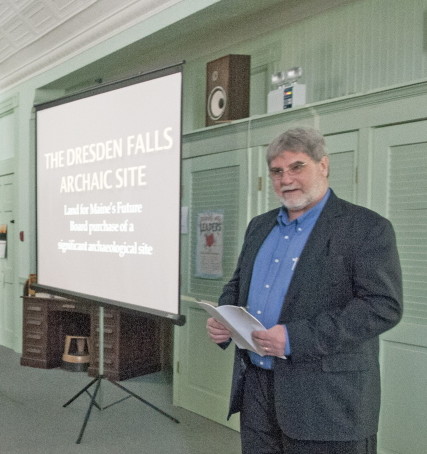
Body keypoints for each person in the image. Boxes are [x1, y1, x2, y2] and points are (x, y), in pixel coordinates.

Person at [206, 127, 403, 454]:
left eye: (297, 167)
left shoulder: (366, 227)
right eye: (277, 171)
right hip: (257, 388)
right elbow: (238, 283)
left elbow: (382, 306)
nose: (286, 179)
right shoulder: (260, 225)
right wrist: (224, 317)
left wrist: (296, 338)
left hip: (327, 400)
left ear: (323, 165)